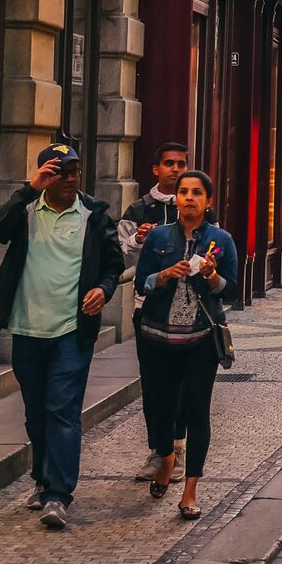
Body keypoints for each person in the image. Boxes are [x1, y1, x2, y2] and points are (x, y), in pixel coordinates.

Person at [0, 143, 122, 530]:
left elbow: (114, 263)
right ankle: (43, 480)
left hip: (72, 331)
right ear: (44, 175)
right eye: (61, 172)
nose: (71, 179)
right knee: (37, 412)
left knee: (62, 409)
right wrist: (29, 188)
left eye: (75, 172)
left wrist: (103, 290)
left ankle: (58, 494)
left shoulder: (94, 215)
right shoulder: (25, 212)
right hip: (27, 329)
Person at [135, 170, 238, 519]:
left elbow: (232, 289)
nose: (189, 198)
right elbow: (141, 283)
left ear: (207, 200)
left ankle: (190, 490)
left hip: (200, 340)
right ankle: (165, 457)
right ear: (175, 199)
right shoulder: (159, 237)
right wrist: (164, 275)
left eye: (197, 192)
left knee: (197, 412)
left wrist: (211, 275)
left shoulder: (220, 240)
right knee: (159, 409)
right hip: (157, 337)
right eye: (183, 192)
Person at [120, 141, 189, 480]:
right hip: (147, 309)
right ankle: (158, 451)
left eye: (181, 164)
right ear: (156, 169)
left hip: (188, 312)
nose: (175, 169)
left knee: (182, 384)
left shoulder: (194, 205)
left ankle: (175, 448)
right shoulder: (138, 209)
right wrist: (137, 242)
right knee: (153, 383)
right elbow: (120, 258)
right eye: (169, 164)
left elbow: (213, 250)